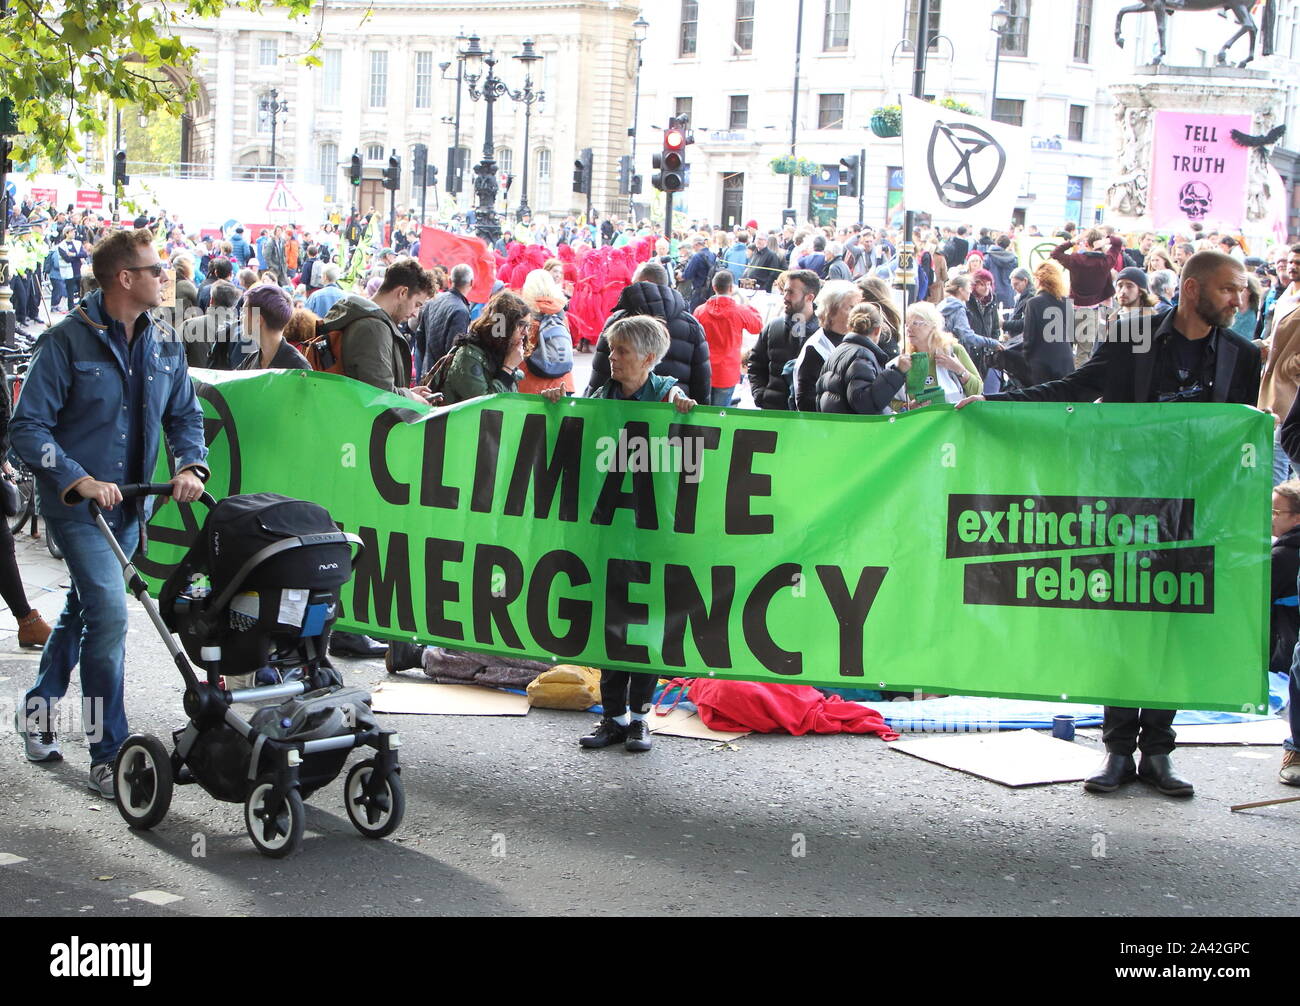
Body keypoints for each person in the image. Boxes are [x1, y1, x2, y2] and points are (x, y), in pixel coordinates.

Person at [964, 250, 1262, 799]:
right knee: (1126, 622)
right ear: (1193, 289)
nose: (1238, 301)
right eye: (1228, 289)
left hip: (1195, 513)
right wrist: (999, 406)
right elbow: (1079, 389)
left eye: (1240, 291)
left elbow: (1236, 438)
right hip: (1129, 506)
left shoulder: (1242, 354)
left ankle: (1158, 752)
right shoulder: (1135, 336)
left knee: (1172, 626)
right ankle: (1118, 750)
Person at [9, 228, 209, 797]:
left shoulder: (165, 340)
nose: (162, 275)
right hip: (78, 511)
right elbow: (26, 428)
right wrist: (79, 479)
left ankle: (38, 713)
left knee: (83, 611)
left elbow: (185, 416)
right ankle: (109, 752)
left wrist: (190, 466)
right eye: (153, 268)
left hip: (130, 509)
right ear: (125, 278)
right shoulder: (65, 341)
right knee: (111, 617)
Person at [578, 315, 695, 754]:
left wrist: (683, 406)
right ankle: (614, 718)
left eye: (621, 351)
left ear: (648, 359)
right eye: (611, 349)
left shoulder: (667, 393)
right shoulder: (599, 395)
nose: (612, 357)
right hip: (611, 529)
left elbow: (692, 424)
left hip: (651, 530)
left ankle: (641, 718)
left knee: (646, 624)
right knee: (612, 623)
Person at [585, 261, 712, 403]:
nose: (612, 357)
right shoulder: (692, 325)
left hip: (621, 413)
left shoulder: (618, 321)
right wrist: (698, 416)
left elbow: (599, 375)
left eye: (633, 283)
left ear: (644, 283)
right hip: (673, 416)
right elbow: (701, 383)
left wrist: (589, 404)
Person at [324, 255, 435, 401]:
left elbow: (371, 383)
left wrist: (407, 392)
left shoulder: (361, 316)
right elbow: (380, 395)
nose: (415, 313)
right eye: (417, 304)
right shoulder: (373, 328)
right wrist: (412, 398)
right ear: (402, 292)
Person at [437, 290, 529, 405]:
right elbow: (485, 407)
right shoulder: (468, 355)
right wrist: (508, 368)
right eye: (520, 325)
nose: (525, 332)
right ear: (504, 325)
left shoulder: (503, 352)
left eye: (527, 326)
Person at [815, 302, 909, 414]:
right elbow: (864, 404)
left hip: (835, 428)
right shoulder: (862, 356)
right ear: (877, 330)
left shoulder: (837, 351)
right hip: (857, 430)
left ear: (849, 326)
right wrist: (897, 373)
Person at [747, 269, 820, 410]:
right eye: (785, 291)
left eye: (791, 292)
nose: (785, 297)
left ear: (809, 297)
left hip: (808, 419)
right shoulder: (773, 327)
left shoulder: (824, 333)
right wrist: (760, 395)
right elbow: (756, 364)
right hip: (772, 414)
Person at [694, 269, 762, 406]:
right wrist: (748, 304)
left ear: (714, 287)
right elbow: (758, 326)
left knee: (700, 416)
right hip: (727, 373)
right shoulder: (740, 310)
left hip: (703, 370)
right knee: (720, 418)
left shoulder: (699, 311)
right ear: (731, 288)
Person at [895, 301, 982, 406]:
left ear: (933, 326)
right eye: (907, 324)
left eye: (915, 323)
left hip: (953, 418)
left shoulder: (953, 351)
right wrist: (907, 406)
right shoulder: (905, 358)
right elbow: (891, 401)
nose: (909, 329)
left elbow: (977, 391)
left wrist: (959, 370)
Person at [793, 280, 861, 412]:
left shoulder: (854, 339)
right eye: (851, 307)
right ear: (831, 310)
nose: (857, 313)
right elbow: (806, 403)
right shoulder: (815, 349)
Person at [1009, 259, 1076, 386]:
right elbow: (1071, 337)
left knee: (1043, 403)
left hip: (1042, 364)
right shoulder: (1066, 302)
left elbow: (1029, 339)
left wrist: (1026, 362)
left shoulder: (1034, 303)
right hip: (1065, 362)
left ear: (1039, 280)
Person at [516, 268, 575, 397]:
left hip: (532, 385)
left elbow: (521, 351)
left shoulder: (525, 316)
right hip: (563, 383)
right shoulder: (561, 314)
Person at [415, 262, 474, 379]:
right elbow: (453, 352)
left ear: (450, 280)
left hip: (426, 371)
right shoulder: (461, 311)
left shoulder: (433, 300)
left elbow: (420, 337)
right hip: (440, 379)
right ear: (471, 282)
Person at [235, 283, 311, 370]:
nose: (240, 318)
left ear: (258, 320)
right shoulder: (250, 360)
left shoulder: (298, 367)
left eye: (243, 313)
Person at [681, 235, 718, 311]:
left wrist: (680, 274)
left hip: (699, 291)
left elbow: (687, 275)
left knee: (695, 314)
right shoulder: (713, 255)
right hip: (711, 291)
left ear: (696, 245)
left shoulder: (697, 256)